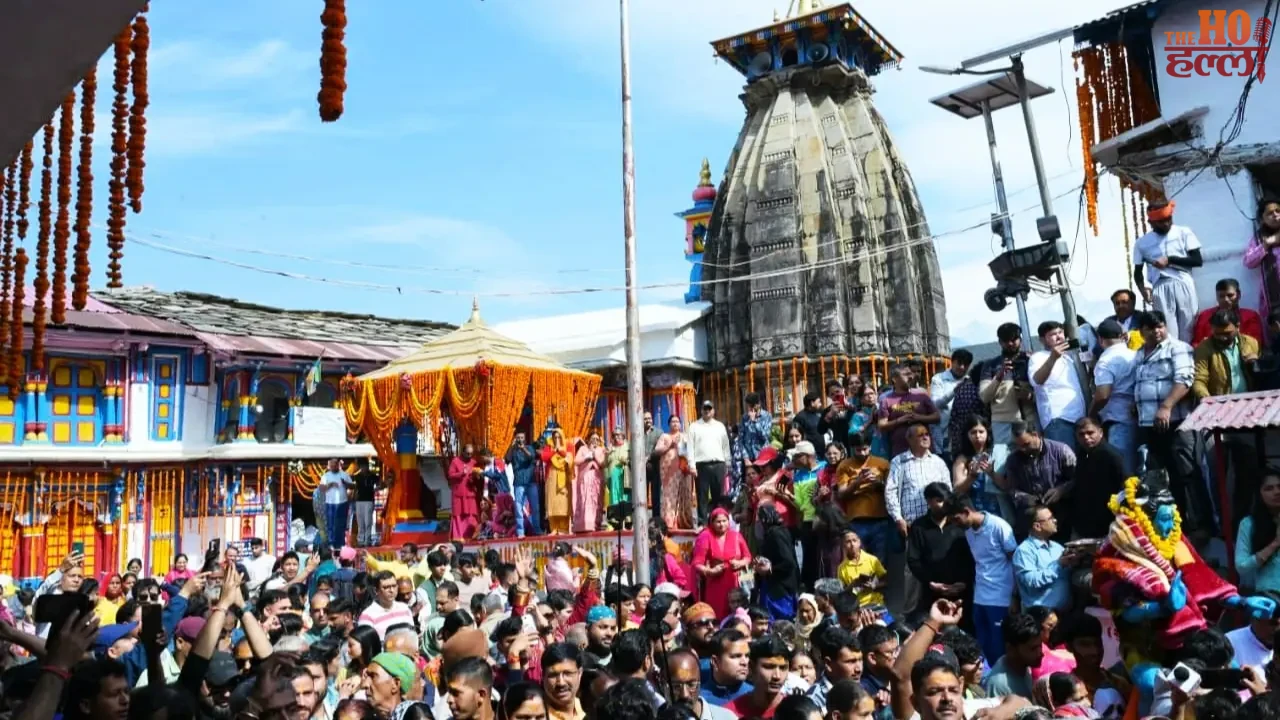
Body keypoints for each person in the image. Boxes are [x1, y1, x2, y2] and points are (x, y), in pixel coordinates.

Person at [1134, 310, 1212, 535]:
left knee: (1187, 474)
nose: (1157, 331)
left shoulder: (1177, 348)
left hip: (1175, 422)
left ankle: (1200, 528)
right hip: (1149, 425)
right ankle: (1176, 528)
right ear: (1142, 331)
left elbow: (1185, 380)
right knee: (1160, 479)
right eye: (1151, 328)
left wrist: (1166, 406)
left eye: (1160, 326)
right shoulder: (1140, 353)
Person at [945, 493, 1016, 663]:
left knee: (998, 647)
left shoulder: (999, 526)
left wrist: (1015, 596)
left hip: (1000, 597)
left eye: (956, 519)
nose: (955, 525)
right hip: (980, 596)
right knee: (981, 646)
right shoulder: (969, 532)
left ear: (966, 511)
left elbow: (1015, 561)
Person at [1134, 199, 1203, 342]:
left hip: (1183, 282)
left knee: (1189, 328)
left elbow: (1197, 261)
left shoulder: (1183, 232)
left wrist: (1169, 260)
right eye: (1161, 221)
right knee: (1167, 333)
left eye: (1168, 219)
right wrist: (1143, 289)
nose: (1166, 224)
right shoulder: (1142, 243)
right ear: (1151, 222)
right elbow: (1137, 272)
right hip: (1160, 285)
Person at [907, 483, 974, 627]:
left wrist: (965, 581)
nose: (944, 505)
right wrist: (931, 582)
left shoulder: (958, 523)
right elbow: (913, 559)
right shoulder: (919, 527)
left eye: (945, 500)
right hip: (932, 593)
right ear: (929, 501)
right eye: (939, 500)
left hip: (963, 591)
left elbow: (971, 555)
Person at [1091, 318, 1140, 475]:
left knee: (1125, 476)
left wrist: (1091, 414)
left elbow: (1103, 395)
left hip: (1119, 421)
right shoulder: (1136, 355)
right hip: (1141, 418)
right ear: (1122, 335)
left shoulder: (1105, 361)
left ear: (1100, 340)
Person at [1029, 321, 1088, 449]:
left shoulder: (1071, 356)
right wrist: (1053, 358)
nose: (1059, 337)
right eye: (1053, 334)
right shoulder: (1038, 357)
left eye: (1060, 332)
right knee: (1065, 462)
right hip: (1058, 420)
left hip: (1080, 419)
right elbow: (1036, 380)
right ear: (1042, 340)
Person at [979, 323, 1038, 445]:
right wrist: (999, 376)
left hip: (1030, 422)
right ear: (1000, 342)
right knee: (1003, 462)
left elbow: (1045, 393)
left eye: (1013, 340)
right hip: (1002, 425)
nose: (1010, 344)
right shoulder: (990, 365)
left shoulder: (1031, 361)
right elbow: (984, 397)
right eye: (1006, 341)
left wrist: (1031, 396)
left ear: (1020, 340)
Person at [1071, 417, 1128, 540]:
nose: (1086, 437)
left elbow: (1125, 485)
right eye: (1081, 434)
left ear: (1101, 432)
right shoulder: (1082, 453)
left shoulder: (1111, 455)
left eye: (1090, 433)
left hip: (1107, 524)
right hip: (1085, 522)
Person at [950, 416, 1012, 524]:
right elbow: (958, 491)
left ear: (987, 433)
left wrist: (991, 473)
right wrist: (972, 476)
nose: (977, 435)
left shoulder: (999, 452)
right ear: (967, 435)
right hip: (975, 511)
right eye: (973, 432)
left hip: (1001, 511)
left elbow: (1007, 486)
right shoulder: (962, 459)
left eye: (981, 431)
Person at [692, 507, 751, 620]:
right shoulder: (705, 537)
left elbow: (747, 557)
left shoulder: (736, 536)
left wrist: (740, 563)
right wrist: (710, 571)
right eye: (718, 522)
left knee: (735, 615)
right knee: (716, 614)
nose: (722, 524)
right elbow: (697, 562)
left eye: (724, 521)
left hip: (734, 583)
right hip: (714, 584)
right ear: (712, 522)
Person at [1012, 505, 1074, 612]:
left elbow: (1066, 574)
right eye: (1050, 518)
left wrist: (1074, 562)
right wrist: (1058, 565)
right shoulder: (1024, 551)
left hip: (1064, 615)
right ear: (1037, 526)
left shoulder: (1057, 547)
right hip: (1041, 617)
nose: (1055, 520)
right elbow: (1031, 581)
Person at [876, 365, 939, 458]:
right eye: (906, 374)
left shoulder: (922, 395)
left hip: (925, 452)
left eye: (911, 374)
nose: (911, 377)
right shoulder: (886, 400)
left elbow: (937, 417)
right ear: (894, 379)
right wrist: (900, 420)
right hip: (900, 453)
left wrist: (918, 417)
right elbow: (881, 425)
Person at [688, 401, 731, 527]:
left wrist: (728, 463)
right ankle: (702, 522)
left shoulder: (720, 426)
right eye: (704, 408)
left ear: (713, 410)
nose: (707, 411)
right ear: (701, 410)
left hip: (719, 464)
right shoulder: (694, 426)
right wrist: (692, 465)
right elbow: (690, 447)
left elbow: (725, 446)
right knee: (702, 496)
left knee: (719, 495)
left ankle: (718, 520)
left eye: (709, 408)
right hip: (701, 465)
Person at [753, 504, 799, 622]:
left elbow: (788, 562)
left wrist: (769, 569)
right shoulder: (779, 532)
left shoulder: (775, 534)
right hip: (778, 587)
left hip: (779, 590)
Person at [726, 635, 791, 718]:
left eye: (783, 668)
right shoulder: (730, 714)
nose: (777, 676)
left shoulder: (797, 712)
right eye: (769, 667)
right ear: (752, 668)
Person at [1236, 470, 1280, 594]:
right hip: (1270, 596)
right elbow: (1242, 566)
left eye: (1279, 487)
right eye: (1269, 488)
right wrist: (1275, 544)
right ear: (1259, 494)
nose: (1277, 492)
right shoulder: (1249, 524)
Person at [982, 612, 1042, 698]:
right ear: (1011, 649)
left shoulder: (1023, 665)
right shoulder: (999, 685)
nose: (1040, 653)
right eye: (1033, 648)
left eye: (1040, 646)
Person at [1243, 197, 1280, 334]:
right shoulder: (1259, 239)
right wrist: (1267, 243)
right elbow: (1248, 261)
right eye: (1270, 213)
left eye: (1278, 211)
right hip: (1274, 300)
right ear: (1262, 219)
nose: (1275, 214)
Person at [667, 648, 738, 720]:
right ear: (662, 684)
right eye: (676, 686)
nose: (685, 694)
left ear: (700, 681)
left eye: (691, 685)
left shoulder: (726, 718)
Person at [1193, 277, 1265, 345]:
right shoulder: (1205, 316)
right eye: (1221, 296)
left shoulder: (1250, 316)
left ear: (1238, 295)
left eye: (1230, 295)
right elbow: (1197, 344)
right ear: (1216, 297)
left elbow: (1255, 343)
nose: (1226, 300)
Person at [929, 349, 973, 458]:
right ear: (952, 362)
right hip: (944, 433)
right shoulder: (938, 379)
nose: (962, 367)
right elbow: (935, 404)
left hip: (964, 433)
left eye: (966, 364)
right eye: (959, 363)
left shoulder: (970, 381)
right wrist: (954, 391)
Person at [655, 415, 696, 530]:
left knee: (681, 494)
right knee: (668, 496)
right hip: (667, 471)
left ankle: (680, 521)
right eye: (672, 422)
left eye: (677, 421)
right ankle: (668, 522)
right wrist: (669, 445)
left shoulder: (684, 437)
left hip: (681, 469)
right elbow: (657, 450)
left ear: (680, 424)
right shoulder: (665, 436)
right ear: (668, 424)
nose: (675, 424)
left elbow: (687, 453)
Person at [836, 529, 886, 614]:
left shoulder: (872, 560)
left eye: (854, 540)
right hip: (858, 608)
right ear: (843, 546)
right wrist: (853, 585)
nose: (852, 544)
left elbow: (886, 580)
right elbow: (841, 594)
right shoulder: (841, 568)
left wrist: (874, 585)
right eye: (848, 542)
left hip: (877, 604)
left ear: (859, 542)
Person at [702, 629, 753, 707]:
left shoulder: (756, 697)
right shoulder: (700, 701)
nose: (744, 662)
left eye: (747, 656)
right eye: (736, 656)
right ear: (715, 661)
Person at [507, 432, 543, 538]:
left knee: (535, 507)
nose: (520, 440)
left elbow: (531, 457)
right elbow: (507, 460)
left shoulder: (530, 447)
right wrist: (512, 446)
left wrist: (523, 448)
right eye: (518, 438)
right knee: (518, 508)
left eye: (522, 438)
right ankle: (520, 532)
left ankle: (537, 530)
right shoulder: (513, 451)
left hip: (531, 482)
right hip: (518, 483)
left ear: (525, 439)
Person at [541, 429, 574, 536]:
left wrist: (560, 450)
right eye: (555, 437)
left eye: (559, 437)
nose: (557, 439)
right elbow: (544, 457)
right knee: (552, 503)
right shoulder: (549, 447)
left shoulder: (568, 446)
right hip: (551, 477)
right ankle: (554, 528)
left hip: (563, 478)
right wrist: (554, 451)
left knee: (563, 503)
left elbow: (570, 458)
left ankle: (563, 528)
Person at [448, 445, 483, 541]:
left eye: (471, 454)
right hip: (458, 494)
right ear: (462, 452)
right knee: (459, 515)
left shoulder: (474, 463)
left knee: (471, 515)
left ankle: (472, 536)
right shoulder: (455, 461)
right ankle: (459, 538)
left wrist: (477, 477)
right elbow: (450, 475)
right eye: (467, 453)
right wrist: (461, 473)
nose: (469, 456)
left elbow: (479, 479)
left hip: (470, 494)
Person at [574, 432, 606, 533]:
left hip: (596, 478)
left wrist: (595, 453)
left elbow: (603, 463)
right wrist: (586, 457)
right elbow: (576, 461)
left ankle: (596, 523)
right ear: (588, 440)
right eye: (593, 439)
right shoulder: (583, 449)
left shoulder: (601, 450)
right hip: (585, 478)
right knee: (585, 499)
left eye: (597, 439)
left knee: (596, 501)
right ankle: (584, 524)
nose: (595, 441)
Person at [321, 458, 355, 550]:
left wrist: (346, 483)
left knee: (341, 524)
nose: (333, 466)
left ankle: (341, 544)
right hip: (330, 503)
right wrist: (330, 484)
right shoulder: (326, 476)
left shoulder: (344, 475)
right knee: (330, 524)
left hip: (342, 503)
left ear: (338, 465)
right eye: (331, 465)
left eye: (335, 464)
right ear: (329, 466)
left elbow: (353, 486)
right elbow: (322, 489)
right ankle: (331, 544)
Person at [351, 459, 381, 547]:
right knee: (360, 521)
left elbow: (381, 484)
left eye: (365, 466)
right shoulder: (357, 476)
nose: (364, 468)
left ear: (368, 466)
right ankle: (360, 540)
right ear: (360, 467)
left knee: (368, 521)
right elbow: (355, 487)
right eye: (362, 466)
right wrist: (354, 496)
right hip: (359, 501)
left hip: (369, 500)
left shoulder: (373, 476)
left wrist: (376, 489)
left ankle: (367, 540)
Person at [606, 429, 631, 508]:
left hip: (625, 474)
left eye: (618, 434)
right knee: (614, 494)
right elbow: (605, 463)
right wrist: (607, 453)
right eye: (614, 435)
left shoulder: (628, 446)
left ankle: (626, 515)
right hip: (612, 475)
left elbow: (632, 459)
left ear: (623, 436)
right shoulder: (610, 448)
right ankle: (615, 516)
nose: (617, 437)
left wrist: (626, 460)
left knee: (625, 495)